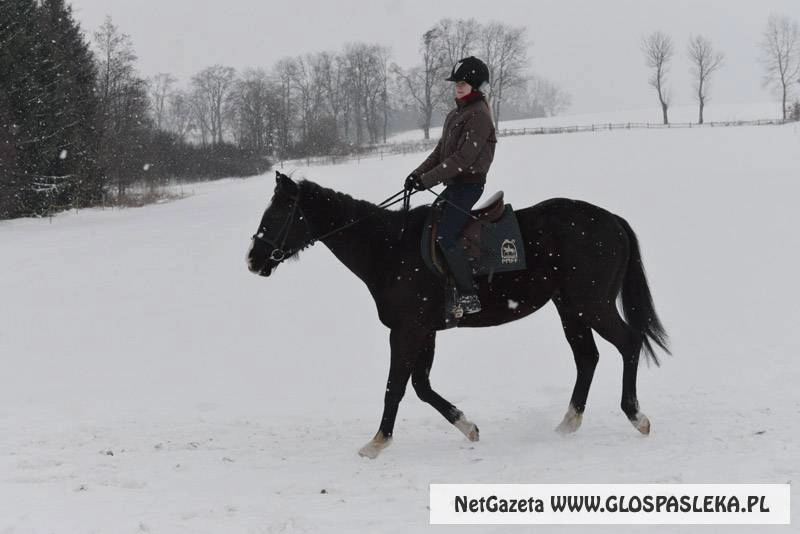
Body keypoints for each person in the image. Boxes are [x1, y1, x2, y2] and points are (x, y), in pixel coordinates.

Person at [405, 56, 497, 314]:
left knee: (446, 235)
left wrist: (426, 180)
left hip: (469, 186)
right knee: (430, 225)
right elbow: (439, 153)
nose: (458, 86)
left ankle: (468, 294)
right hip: (455, 185)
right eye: (456, 82)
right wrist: (416, 175)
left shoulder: (479, 115)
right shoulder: (455, 114)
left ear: (476, 86)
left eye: (463, 83)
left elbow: (462, 159)